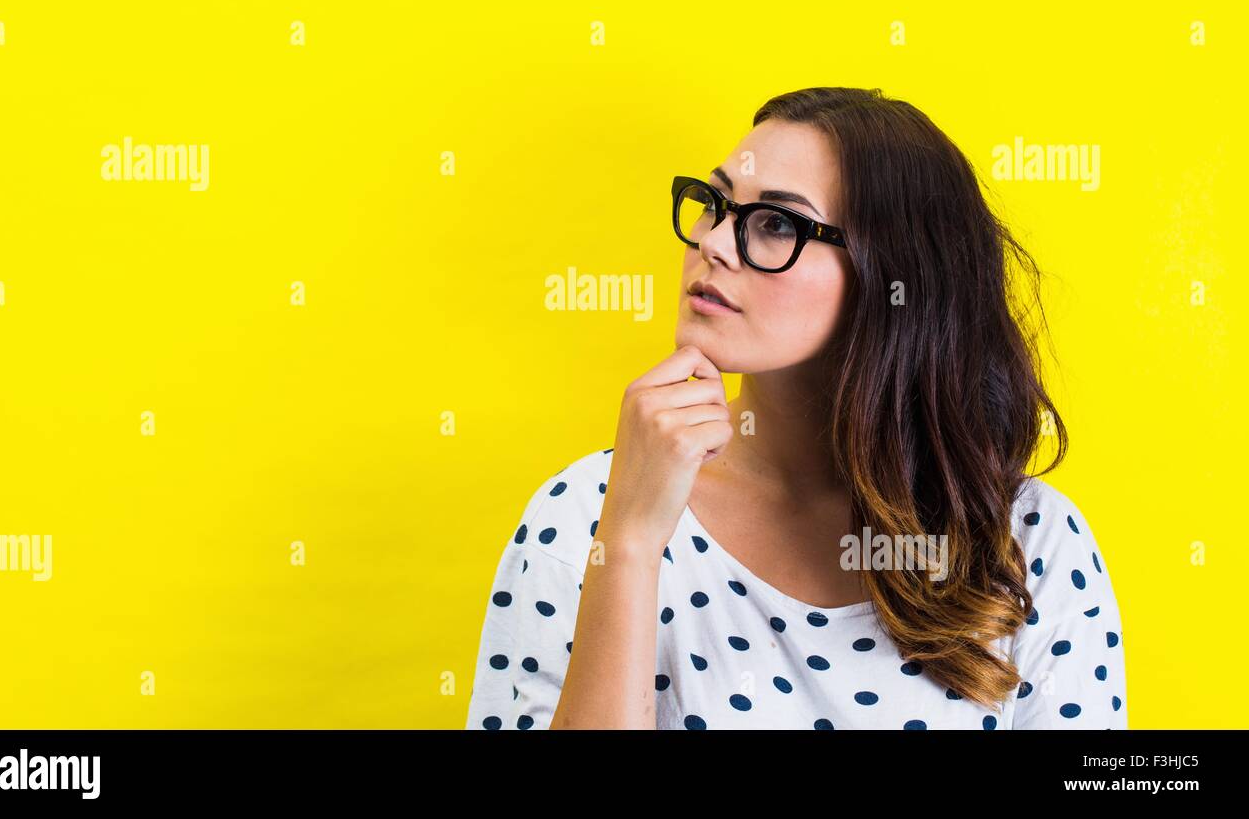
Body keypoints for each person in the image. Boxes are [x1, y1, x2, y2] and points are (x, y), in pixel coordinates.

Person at [465, 87, 1126, 729]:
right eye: (714, 204)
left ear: (893, 275)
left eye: (777, 222)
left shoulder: (1029, 545)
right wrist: (631, 543)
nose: (714, 244)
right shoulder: (585, 515)